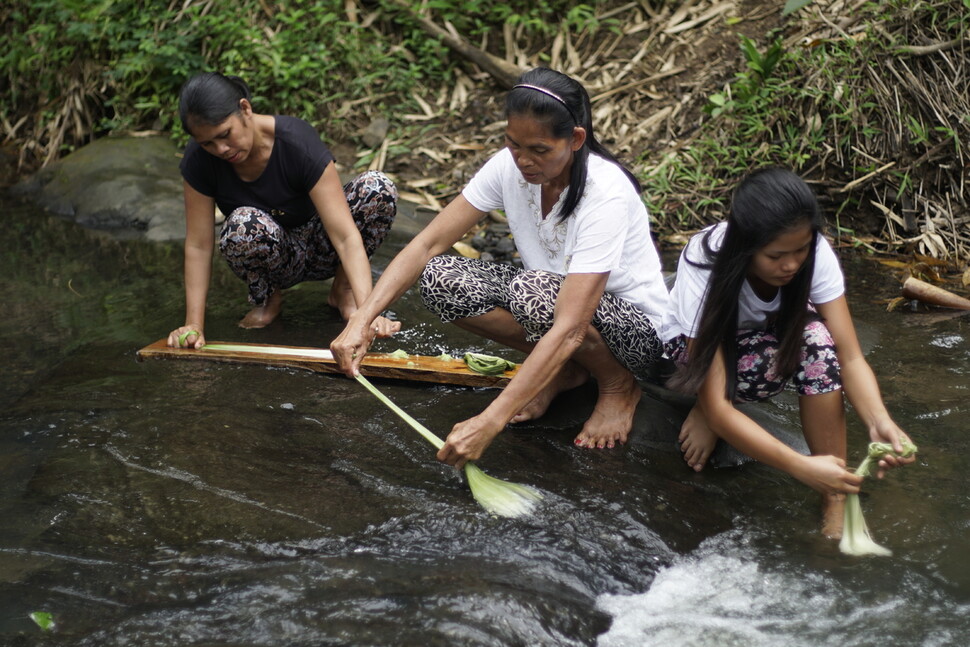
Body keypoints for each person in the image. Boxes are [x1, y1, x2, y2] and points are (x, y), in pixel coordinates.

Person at [331, 67, 669, 465]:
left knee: (535, 294)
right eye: (514, 145)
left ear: (575, 139)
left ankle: (617, 385)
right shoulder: (509, 167)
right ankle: (568, 372)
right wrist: (363, 319)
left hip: (637, 334)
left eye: (540, 150)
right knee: (442, 278)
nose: (524, 161)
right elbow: (426, 243)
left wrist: (491, 419)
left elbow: (572, 325)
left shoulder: (605, 193)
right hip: (554, 307)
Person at [661, 167, 915, 537]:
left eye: (800, 251)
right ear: (745, 247)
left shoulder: (812, 251)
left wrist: (879, 421)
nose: (792, 265)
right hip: (694, 350)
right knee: (718, 402)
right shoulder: (706, 263)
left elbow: (850, 356)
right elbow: (718, 405)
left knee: (818, 343)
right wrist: (799, 465)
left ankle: (835, 494)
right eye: (776, 256)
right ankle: (704, 400)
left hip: (761, 341)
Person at [166, 72, 400, 349]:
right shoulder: (199, 160)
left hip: (322, 246)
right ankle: (268, 299)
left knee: (377, 187)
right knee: (243, 225)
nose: (221, 149)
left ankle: (344, 291)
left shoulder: (296, 141)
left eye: (225, 135)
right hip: (275, 257)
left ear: (245, 109)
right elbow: (198, 245)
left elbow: (346, 237)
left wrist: (367, 314)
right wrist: (194, 324)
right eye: (207, 143)